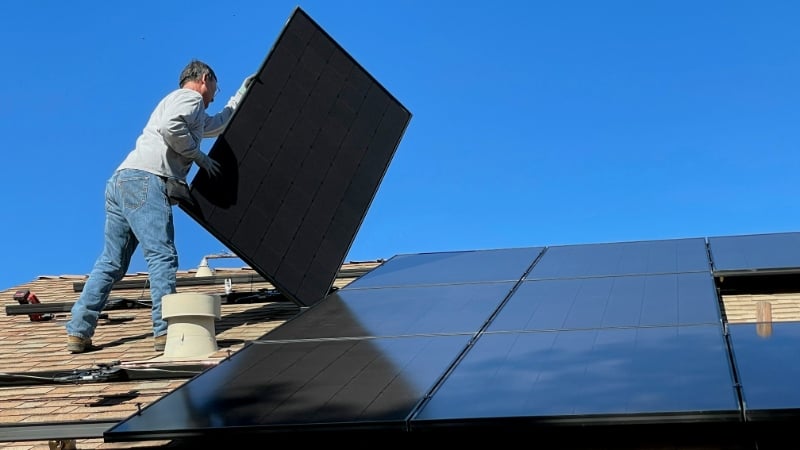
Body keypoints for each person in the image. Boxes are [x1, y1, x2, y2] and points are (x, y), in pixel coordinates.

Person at [65, 60, 255, 353]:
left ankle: (78, 331)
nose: (216, 93)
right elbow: (171, 128)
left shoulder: (183, 106)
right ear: (205, 79)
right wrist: (198, 157)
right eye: (216, 86)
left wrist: (241, 94)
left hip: (121, 181)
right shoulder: (189, 98)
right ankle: (165, 332)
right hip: (146, 180)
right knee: (162, 255)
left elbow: (216, 125)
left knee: (111, 263)